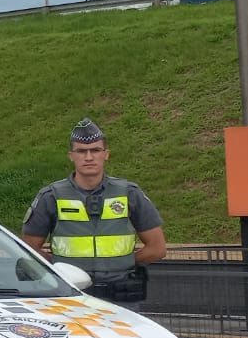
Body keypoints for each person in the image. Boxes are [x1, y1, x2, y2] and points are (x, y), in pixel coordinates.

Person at [22, 118, 166, 306]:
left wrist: (123, 264)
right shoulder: (51, 197)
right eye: (81, 151)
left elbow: (157, 248)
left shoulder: (129, 193)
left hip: (121, 298)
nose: (89, 157)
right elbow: (28, 249)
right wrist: (60, 268)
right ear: (71, 156)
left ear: (106, 154)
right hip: (71, 297)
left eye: (95, 150)